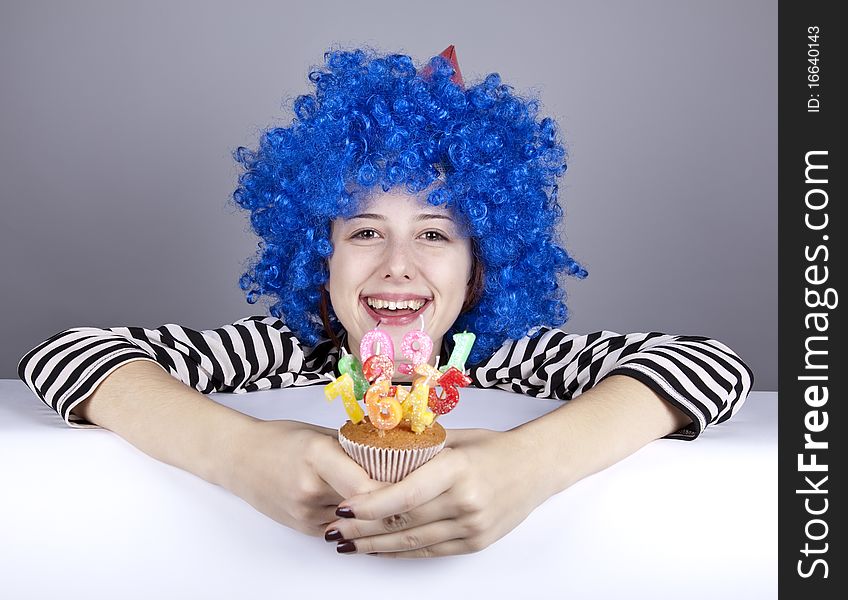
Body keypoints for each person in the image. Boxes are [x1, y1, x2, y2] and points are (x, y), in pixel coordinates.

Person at [17, 46, 753, 558]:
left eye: (435, 234)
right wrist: (242, 453)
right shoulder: (289, 350)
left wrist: (526, 468)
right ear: (321, 254)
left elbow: (710, 366)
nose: (397, 266)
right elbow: (67, 355)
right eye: (365, 230)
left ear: (478, 266)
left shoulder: (513, 359)